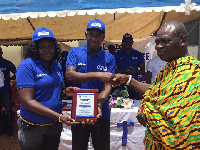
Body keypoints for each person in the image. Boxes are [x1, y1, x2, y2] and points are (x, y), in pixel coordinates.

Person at [112, 21, 200, 149]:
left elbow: (179, 120)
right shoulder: (168, 71)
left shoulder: (192, 74)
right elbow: (156, 91)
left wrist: (146, 112)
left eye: (165, 41)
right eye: (157, 42)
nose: (159, 46)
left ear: (183, 40)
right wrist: (127, 79)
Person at [16, 27, 79, 150]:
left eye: (50, 46)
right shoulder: (27, 66)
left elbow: (54, 92)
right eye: (42, 47)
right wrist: (59, 116)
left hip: (54, 125)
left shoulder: (56, 65)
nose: (47, 50)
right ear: (35, 48)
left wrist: (65, 92)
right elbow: (27, 101)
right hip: (32, 128)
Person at [65, 19, 115, 150]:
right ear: (85, 34)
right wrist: (98, 74)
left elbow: (107, 86)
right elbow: (70, 75)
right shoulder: (75, 52)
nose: (94, 38)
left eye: (98, 36)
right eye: (91, 34)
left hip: (101, 112)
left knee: (102, 147)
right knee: (79, 147)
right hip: (79, 111)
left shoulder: (109, 58)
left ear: (103, 38)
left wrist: (98, 104)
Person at [115, 33, 145, 99]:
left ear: (132, 42)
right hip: (120, 85)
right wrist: (123, 70)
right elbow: (112, 71)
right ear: (122, 42)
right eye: (126, 42)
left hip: (134, 85)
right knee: (120, 106)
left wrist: (135, 71)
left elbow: (142, 71)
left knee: (135, 106)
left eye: (129, 42)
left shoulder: (138, 54)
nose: (127, 43)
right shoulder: (117, 54)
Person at [0, 47, 16, 136]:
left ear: (1, 52)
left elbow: (16, 73)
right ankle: (2, 128)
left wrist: (9, 79)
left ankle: (9, 129)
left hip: (6, 90)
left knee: (8, 109)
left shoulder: (7, 63)